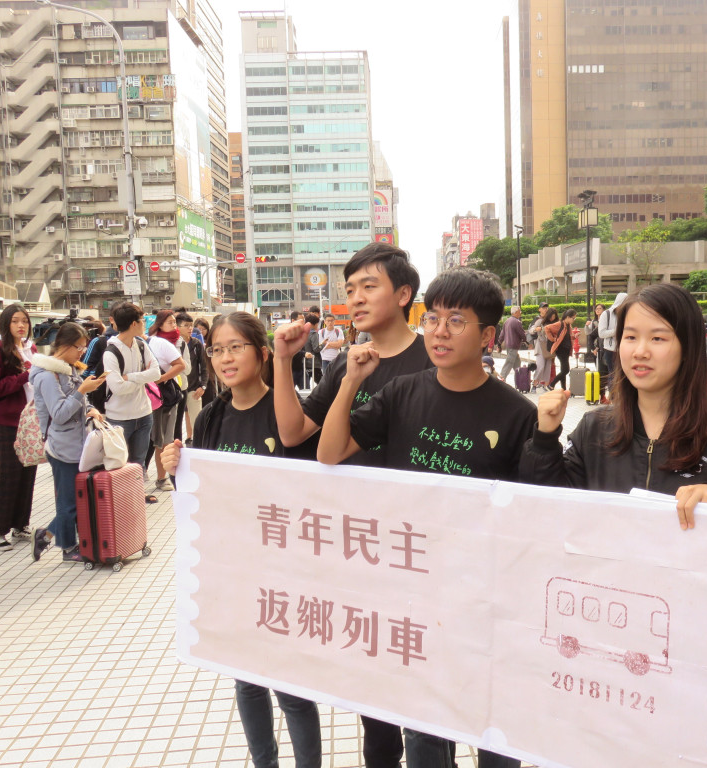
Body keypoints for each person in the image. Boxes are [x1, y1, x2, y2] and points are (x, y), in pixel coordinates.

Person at [318, 267, 535, 768]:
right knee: (424, 736)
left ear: (486, 336)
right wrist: (351, 381)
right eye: (433, 318)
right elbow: (330, 454)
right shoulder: (402, 393)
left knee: (495, 729)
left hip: (484, 597)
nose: (439, 331)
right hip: (410, 590)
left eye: (456, 321)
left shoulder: (515, 413)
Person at [273, 243, 430, 767]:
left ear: (403, 294)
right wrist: (281, 360)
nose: (356, 298)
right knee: (375, 695)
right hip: (363, 550)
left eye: (369, 286)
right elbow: (295, 432)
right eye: (350, 289)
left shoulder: (435, 357)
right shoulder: (349, 361)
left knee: (428, 703)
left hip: (422, 550)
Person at [519, 283, 707, 554]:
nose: (640, 351)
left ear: (687, 347)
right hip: (606, 599)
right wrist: (544, 439)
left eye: (657, 338)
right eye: (630, 337)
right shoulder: (595, 428)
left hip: (688, 603)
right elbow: (546, 508)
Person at [157, 312, 325, 768]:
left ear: (263, 353)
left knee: (291, 689)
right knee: (246, 681)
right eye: (216, 349)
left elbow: (315, 494)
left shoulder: (289, 411)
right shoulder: (212, 416)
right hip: (233, 571)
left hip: (284, 571)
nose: (225, 358)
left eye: (236, 347)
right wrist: (178, 470)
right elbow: (203, 498)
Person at [29, 322, 107, 563]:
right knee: (69, 502)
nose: (82, 352)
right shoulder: (46, 375)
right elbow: (60, 414)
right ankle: (68, 547)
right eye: (79, 347)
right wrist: (82, 391)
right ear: (63, 345)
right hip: (62, 448)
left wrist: (91, 409)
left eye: (84, 348)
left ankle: (47, 535)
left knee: (78, 498)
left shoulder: (67, 369)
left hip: (79, 445)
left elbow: (77, 405)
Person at [0, 303, 38, 551]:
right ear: (6, 324)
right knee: (9, 475)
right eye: (15, 321)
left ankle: (20, 524)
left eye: (24, 321)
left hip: (31, 419)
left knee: (28, 472)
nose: (21, 325)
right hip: (7, 422)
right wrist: (25, 375)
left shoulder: (30, 348)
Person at [102, 302, 162, 505]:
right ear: (134, 323)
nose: (144, 323)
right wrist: (139, 379)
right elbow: (117, 387)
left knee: (139, 461)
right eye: (143, 320)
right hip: (119, 416)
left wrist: (130, 377)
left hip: (144, 413)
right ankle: (121, 500)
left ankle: (136, 496)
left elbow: (156, 373)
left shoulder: (141, 345)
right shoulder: (111, 352)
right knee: (119, 462)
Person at [145, 310, 187, 493]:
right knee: (155, 440)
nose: (174, 326)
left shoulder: (157, 342)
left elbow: (182, 365)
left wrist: (160, 379)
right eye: (170, 322)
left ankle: (162, 478)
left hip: (160, 397)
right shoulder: (153, 341)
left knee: (161, 439)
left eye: (174, 322)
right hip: (148, 398)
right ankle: (151, 476)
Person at [174, 311, 208, 447]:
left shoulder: (196, 344)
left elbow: (204, 367)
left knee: (197, 421)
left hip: (194, 388)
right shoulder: (173, 345)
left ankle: (200, 447)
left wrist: (203, 386)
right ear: (178, 327)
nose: (190, 328)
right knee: (176, 423)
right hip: (176, 390)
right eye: (186, 325)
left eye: (191, 325)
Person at [598, 292, 628, 393]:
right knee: (613, 374)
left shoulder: (627, 314)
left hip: (625, 349)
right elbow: (601, 333)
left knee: (625, 374)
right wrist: (617, 331)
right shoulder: (606, 314)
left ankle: (623, 397)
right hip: (611, 350)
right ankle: (613, 397)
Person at [545, 308, 577, 390]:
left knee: (563, 369)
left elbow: (567, 336)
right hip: (561, 349)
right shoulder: (559, 324)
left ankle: (563, 388)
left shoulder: (568, 326)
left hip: (566, 349)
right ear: (567, 317)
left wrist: (574, 336)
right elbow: (547, 328)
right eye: (573, 318)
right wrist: (553, 339)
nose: (574, 320)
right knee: (566, 370)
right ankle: (551, 384)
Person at [498, 305, 525, 384]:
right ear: (516, 312)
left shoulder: (507, 321)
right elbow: (522, 334)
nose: (520, 313)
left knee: (517, 363)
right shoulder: (517, 322)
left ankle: (520, 380)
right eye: (519, 311)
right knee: (509, 363)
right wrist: (526, 341)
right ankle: (502, 379)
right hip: (514, 345)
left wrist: (499, 343)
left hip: (509, 345)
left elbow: (502, 334)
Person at [528, 303, 552, 390]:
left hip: (549, 345)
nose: (545, 309)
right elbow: (530, 330)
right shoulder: (538, 320)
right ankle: (534, 384)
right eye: (543, 307)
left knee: (548, 367)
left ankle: (545, 385)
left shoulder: (550, 319)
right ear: (539, 309)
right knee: (540, 366)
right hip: (540, 345)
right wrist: (536, 329)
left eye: (546, 307)